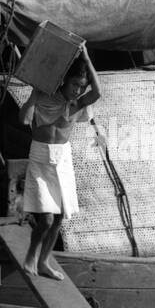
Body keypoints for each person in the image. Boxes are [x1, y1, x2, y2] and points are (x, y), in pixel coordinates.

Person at [19, 53, 100, 280]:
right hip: (41, 157)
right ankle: (31, 257)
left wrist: (86, 56)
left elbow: (98, 92)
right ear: (65, 80)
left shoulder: (78, 103)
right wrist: (33, 98)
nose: (77, 90)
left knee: (59, 217)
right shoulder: (45, 96)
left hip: (63, 158)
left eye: (81, 86)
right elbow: (24, 120)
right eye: (74, 84)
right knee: (45, 218)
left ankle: (44, 261)